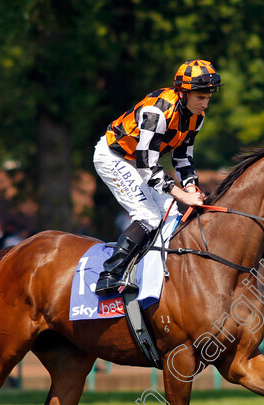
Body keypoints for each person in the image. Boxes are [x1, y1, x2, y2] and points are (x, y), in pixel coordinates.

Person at [92, 59, 221, 296]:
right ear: (182, 93)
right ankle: (109, 275)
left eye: (208, 98)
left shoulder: (196, 117)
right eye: (200, 97)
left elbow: (183, 160)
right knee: (148, 216)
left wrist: (192, 188)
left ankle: (152, 274)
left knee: (171, 215)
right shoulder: (157, 112)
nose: (204, 104)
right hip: (114, 157)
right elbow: (146, 166)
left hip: (141, 162)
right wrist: (181, 194)